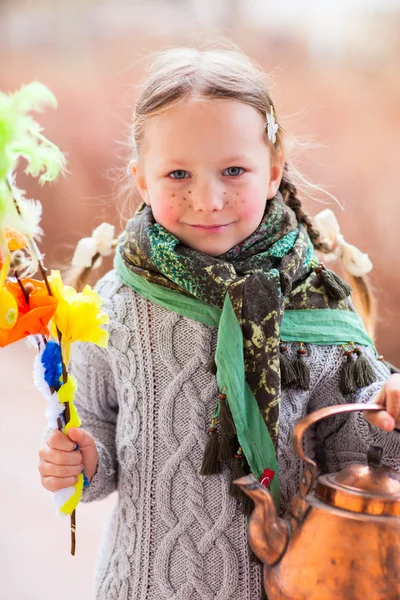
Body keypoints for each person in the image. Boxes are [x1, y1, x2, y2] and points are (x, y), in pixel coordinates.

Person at [38, 46, 400, 600]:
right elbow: (94, 444)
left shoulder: (315, 304)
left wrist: (390, 410)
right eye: (177, 173)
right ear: (140, 178)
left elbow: (362, 455)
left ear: (274, 170)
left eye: (234, 170)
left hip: (288, 583)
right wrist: (78, 461)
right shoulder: (110, 308)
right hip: (140, 585)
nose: (207, 199)